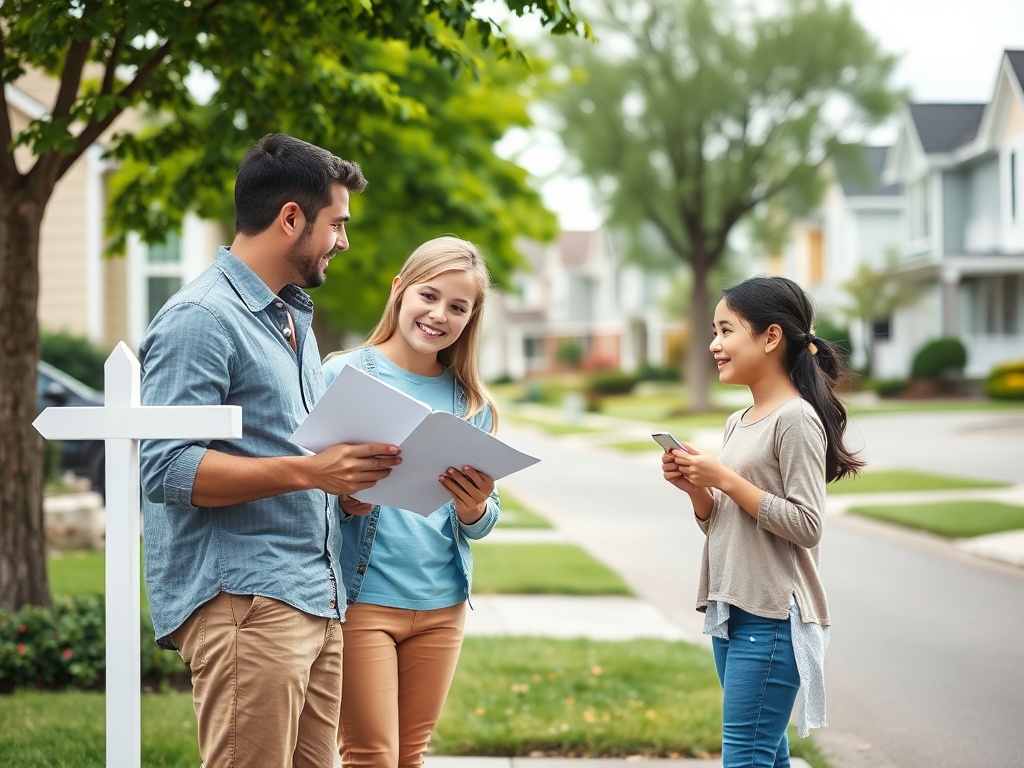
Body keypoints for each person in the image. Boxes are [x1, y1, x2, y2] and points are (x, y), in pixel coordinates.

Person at [139, 132, 403, 768]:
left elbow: (294, 458)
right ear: (292, 218)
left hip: (316, 596)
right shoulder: (201, 318)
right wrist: (312, 471)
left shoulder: (291, 319)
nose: (344, 241)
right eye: (337, 224)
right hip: (248, 603)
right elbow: (167, 468)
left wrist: (345, 488)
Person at [661, 276, 863, 768]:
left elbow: (807, 524)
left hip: (773, 618)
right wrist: (698, 491)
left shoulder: (795, 418)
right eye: (714, 331)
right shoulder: (740, 420)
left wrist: (726, 479)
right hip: (732, 609)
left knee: (746, 758)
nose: (714, 344)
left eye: (726, 330)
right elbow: (725, 525)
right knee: (766, 757)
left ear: (770, 337)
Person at [322, 235, 501, 768]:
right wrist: (347, 502)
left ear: (471, 318)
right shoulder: (343, 375)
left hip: (442, 603)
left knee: (409, 756)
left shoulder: (471, 403)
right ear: (399, 291)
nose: (439, 314)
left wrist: (474, 509)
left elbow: (484, 521)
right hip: (364, 601)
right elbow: (305, 489)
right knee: (371, 755)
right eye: (429, 295)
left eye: (457, 306)